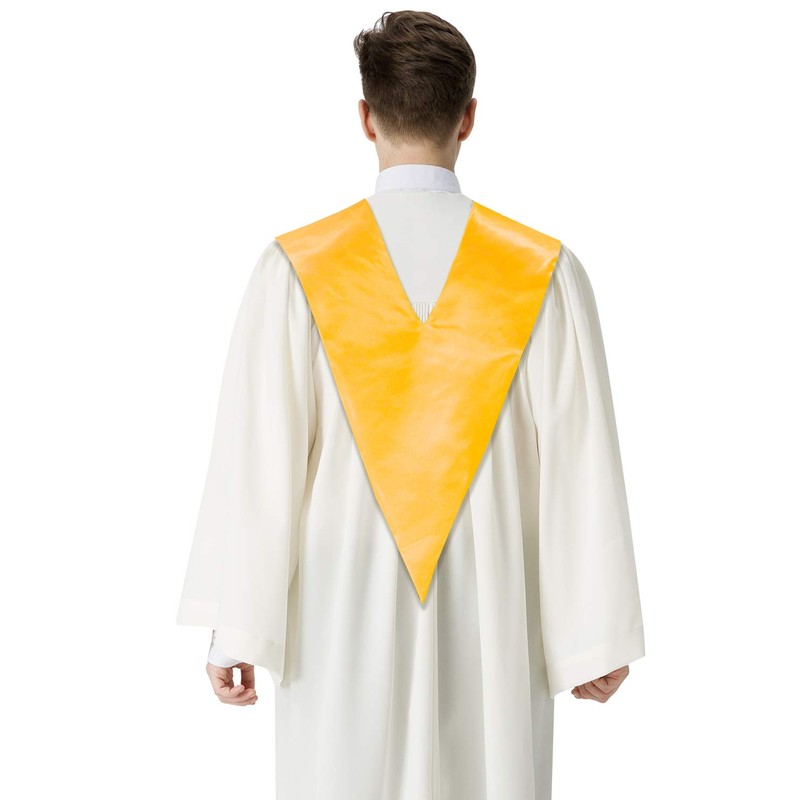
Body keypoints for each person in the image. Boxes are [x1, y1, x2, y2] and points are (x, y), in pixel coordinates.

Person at [176, 10, 645, 799]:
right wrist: (590, 634)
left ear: (366, 117)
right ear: (469, 117)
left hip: (338, 606)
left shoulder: (296, 270)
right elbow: (578, 458)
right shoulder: (544, 271)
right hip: (492, 604)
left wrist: (239, 626)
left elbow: (261, 458)